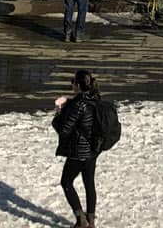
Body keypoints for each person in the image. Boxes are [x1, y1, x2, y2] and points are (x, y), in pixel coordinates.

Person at [52, 69, 101, 228]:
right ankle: (91, 221)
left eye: (73, 82)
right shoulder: (95, 98)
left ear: (78, 85)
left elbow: (64, 130)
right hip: (93, 151)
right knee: (89, 185)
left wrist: (58, 115)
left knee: (66, 182)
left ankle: (81, 220)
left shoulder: (78, 104)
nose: (72, 85)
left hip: (79, 152)